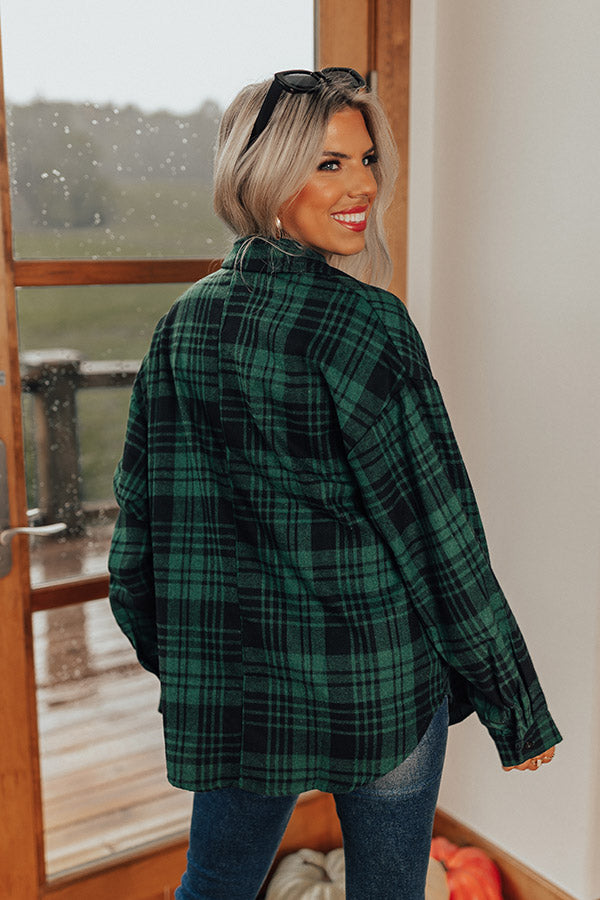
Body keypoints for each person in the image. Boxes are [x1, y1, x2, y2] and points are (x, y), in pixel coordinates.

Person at [109, 68, 561, 900]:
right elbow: (442, 539)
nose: (363, 186)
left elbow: (135, 536)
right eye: (329, 164)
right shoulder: (367, 327)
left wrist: (191, 667)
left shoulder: (182, 325)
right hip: (377, 682)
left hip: (238, 686)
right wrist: (515, 704)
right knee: (389, 889)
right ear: (265, 176)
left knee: (213, 884)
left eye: (366, 159)